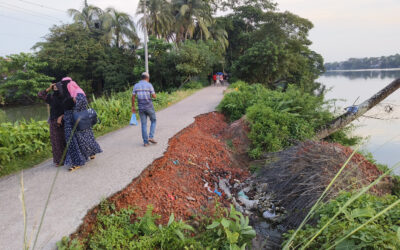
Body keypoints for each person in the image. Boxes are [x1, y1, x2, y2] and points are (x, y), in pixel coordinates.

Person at [59, 77, 102, 171]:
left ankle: (77, 162)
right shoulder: (72, 92)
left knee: (75, 140)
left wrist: (73, 101)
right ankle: (91, 153)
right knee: (83, 137)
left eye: (63, 84)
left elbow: (79, 104)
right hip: (77, 120)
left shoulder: (76, 92)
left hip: (75, 120)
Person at [38, 83, 66, 166]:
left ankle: (67, 157)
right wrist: (48, 88)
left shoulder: (64, 96)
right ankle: (59, 160)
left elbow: (70, 108)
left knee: (64, 139)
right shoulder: (51, 97)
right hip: (54, 121)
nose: (55, 88)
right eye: (54, 87)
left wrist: (61, 116)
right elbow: (40, 95)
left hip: (64, 121)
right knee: (55, 141)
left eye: (57, 86)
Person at [132, 72, 157, 147]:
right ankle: (151, 137)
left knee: (143, 124)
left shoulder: (136, 85)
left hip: (141, 108)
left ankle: (145, 142)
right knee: (153, 120)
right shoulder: (149, 85)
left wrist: (133, 106)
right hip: (149, 107)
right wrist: (153, 95)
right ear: (147, 78)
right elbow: (154, 96)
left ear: (141, 77)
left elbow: (133, 97)